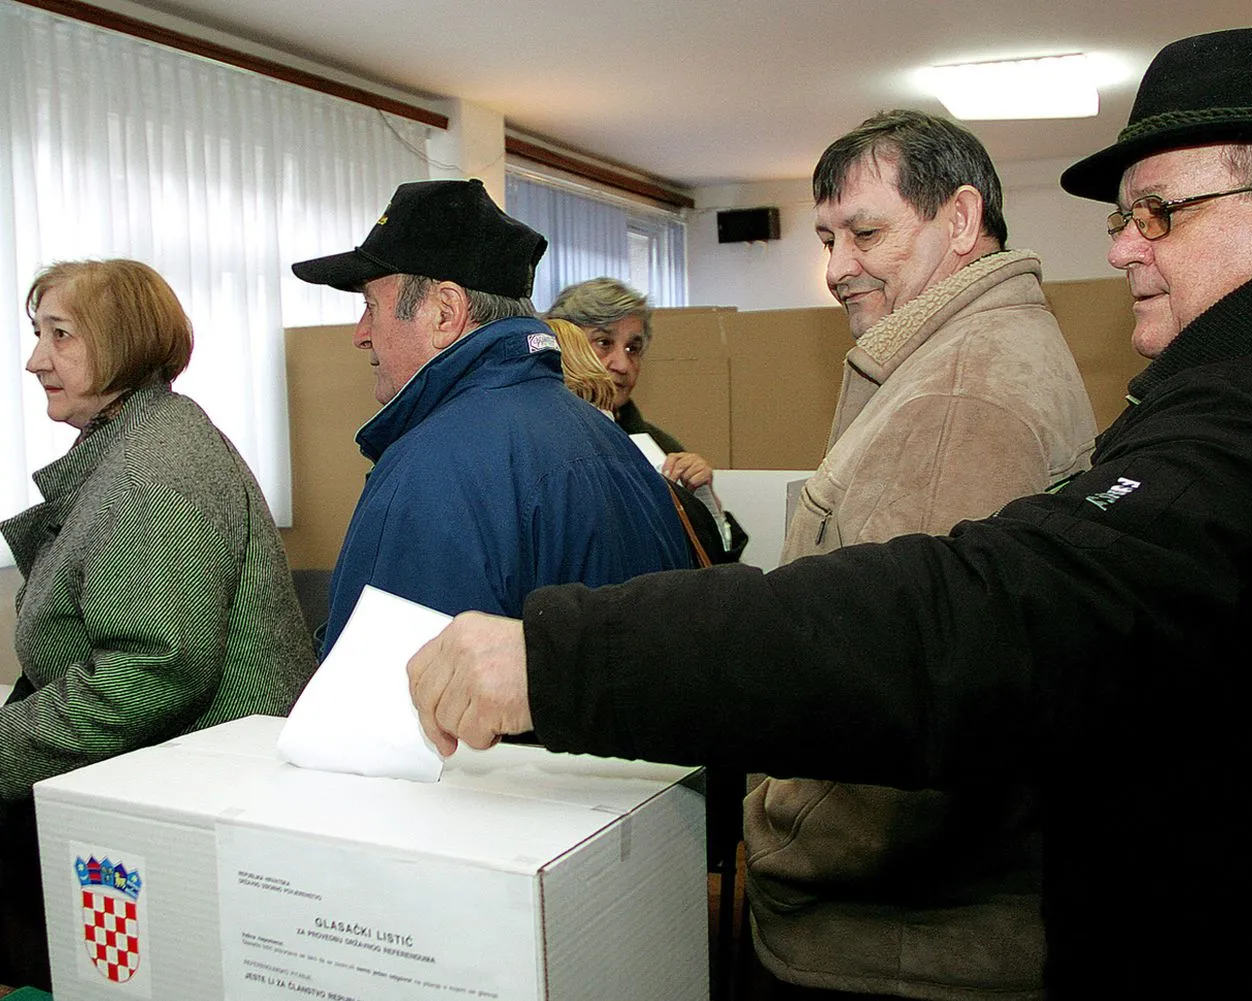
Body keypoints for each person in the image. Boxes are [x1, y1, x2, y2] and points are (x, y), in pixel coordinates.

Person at [406, 26, 1252, 997]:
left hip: (896, 946)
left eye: (1158, 213)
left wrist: (580, 671)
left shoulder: (1200, 414)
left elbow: (944, 634)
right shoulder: (1242, 391)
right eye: (828, 240)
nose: (1120, 247)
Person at [735, 109, 1096, 998]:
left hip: (894, 946)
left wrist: (775, 832)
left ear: (961, 220)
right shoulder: (968, 352)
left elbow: (910, 707)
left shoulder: (957, 395)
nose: (836, 268)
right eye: (828, 239)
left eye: (865, 234)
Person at [0, 259, 315, 987]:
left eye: (60, 335)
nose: (36, 360)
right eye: (37, 333)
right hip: (175, 789)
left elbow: (152, 670)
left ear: (124, 339)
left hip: (195, 805)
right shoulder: (137, 437)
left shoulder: (155, 465)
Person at [291, 179, 691, 655]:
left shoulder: (434, 468)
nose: (361, 334)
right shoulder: (617, 447)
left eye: (370, 307)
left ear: (446, 313)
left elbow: (384, 687)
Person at [547, 277, 748, 563]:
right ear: (564, 347)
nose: (623, 365)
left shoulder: (662, 449)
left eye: (633, 348)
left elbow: (715, 569)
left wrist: (705, 503)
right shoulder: (537, 443)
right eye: (604, 343)